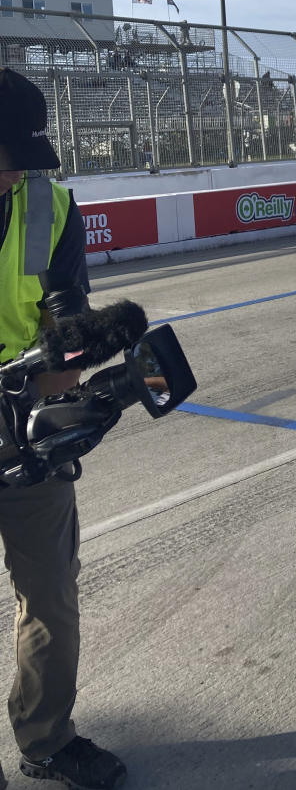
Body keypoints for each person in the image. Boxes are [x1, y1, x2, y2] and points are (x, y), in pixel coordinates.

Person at [0, 68, 126, 790]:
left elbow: (64, 314)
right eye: (5, 151)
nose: (17, 168)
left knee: (49, 592)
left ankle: (46, 737)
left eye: (23, 153)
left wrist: (68, 402)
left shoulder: (46, 203)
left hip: (19, 414)